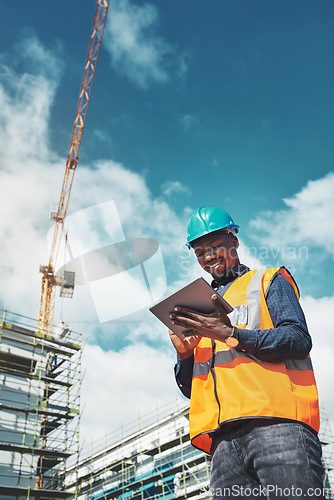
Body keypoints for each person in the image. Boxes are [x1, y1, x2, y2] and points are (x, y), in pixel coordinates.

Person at [169, 206, 324, 499]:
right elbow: (192, 389)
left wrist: (232, 335)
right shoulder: (198, 308)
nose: (208, 256)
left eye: (215, 246)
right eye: (200, 252)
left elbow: (297, 339)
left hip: (277, 426)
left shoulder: (267, 281)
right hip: (222, 445)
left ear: (234, 241)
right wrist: (184, 356)